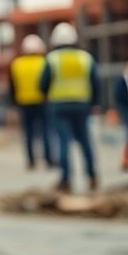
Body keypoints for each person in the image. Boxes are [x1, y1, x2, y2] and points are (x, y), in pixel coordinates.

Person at [40, 22, 97, 193]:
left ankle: (65, 180)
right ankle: (92, 176)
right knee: (85, 141)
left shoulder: (52, 59)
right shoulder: (85, 58)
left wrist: (47, 97)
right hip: (82, 105)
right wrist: (93, 103)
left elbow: (43, 84)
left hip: (59, 105)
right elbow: (95, 82)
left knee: (64, 142)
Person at [9, 34, 56, 171]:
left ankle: (31, 161)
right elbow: (48, 82)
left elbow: (12, 86)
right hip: (42, 101)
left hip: (23, 102)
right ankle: (48, 159)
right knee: (45, 131)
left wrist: (13, 103)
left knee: (28, 133)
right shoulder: (44, 62)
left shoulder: (16, 64)